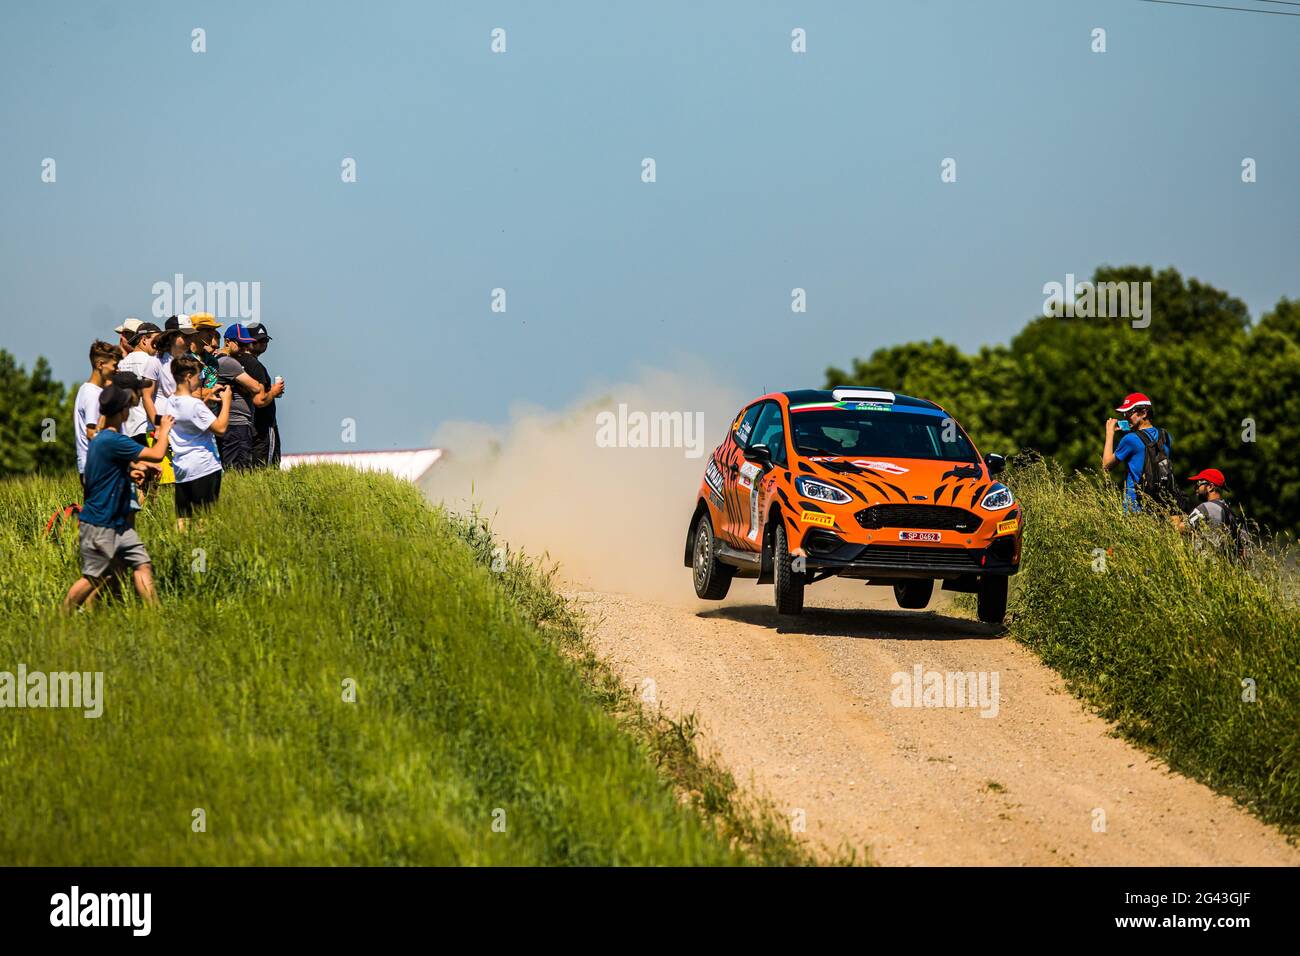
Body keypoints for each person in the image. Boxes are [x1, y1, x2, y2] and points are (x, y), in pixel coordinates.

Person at [62, 386, 173, 611]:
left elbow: (107, 473)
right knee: (94, 577)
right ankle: (62, 617)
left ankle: (156, 617)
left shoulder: (102, 440)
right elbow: (158, 454)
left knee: (142, 564)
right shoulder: (113, 440)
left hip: (118, 523)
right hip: (101, 523)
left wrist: (130, 472)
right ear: (122, 411)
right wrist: (164, 430)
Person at [168, 354, 232, 530]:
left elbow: (189, 418)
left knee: (183, 520)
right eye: (198, 376)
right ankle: (202, 556)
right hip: (203, 467)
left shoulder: (171, 401)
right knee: (204, 521)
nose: (200, 381)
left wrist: (207, 397)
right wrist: (227, 402)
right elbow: (220, 428)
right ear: (188, 377)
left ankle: (185, 554)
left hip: (182, 469)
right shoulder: (194, 406)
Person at [1102, 392, 1175, 512]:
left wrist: (1110, 433)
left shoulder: (1130, 439)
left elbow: (1106, 466)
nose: (1125, 417)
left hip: (1135, 507)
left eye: (1129, 413)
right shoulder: (1166, 436)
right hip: (1160, 506)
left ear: (1144, 413)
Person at [215, 324, 267, 470]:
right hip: (236, 425)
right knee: (239, 469)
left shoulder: (218, 359)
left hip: (231, 423)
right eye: (241, 344)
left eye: (247, 344)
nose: (245, 349)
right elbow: (256, 387)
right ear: (227, 342)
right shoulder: (228, 362)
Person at [74, 341, 122, 495]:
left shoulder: (86, 389)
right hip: (97, 467)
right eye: (114, 365)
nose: (117, 369)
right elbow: (91, 433)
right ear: (101, 364)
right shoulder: (92, 394)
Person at [242, 322, 286, 467]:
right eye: (257, 340)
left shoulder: (237, 362)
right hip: (263, 426)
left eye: (265, 340)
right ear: (248, 341)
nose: (262, 344)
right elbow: (259, 400)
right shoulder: (255, 366)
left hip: (247, 426)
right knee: (267, 469)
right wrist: (274, 391)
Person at [115, 321, 164, 448]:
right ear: (144, 340)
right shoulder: (152, 363)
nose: (159, 345)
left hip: (124, 430)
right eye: (156, 341)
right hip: (146, 428)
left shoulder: (120, 364)